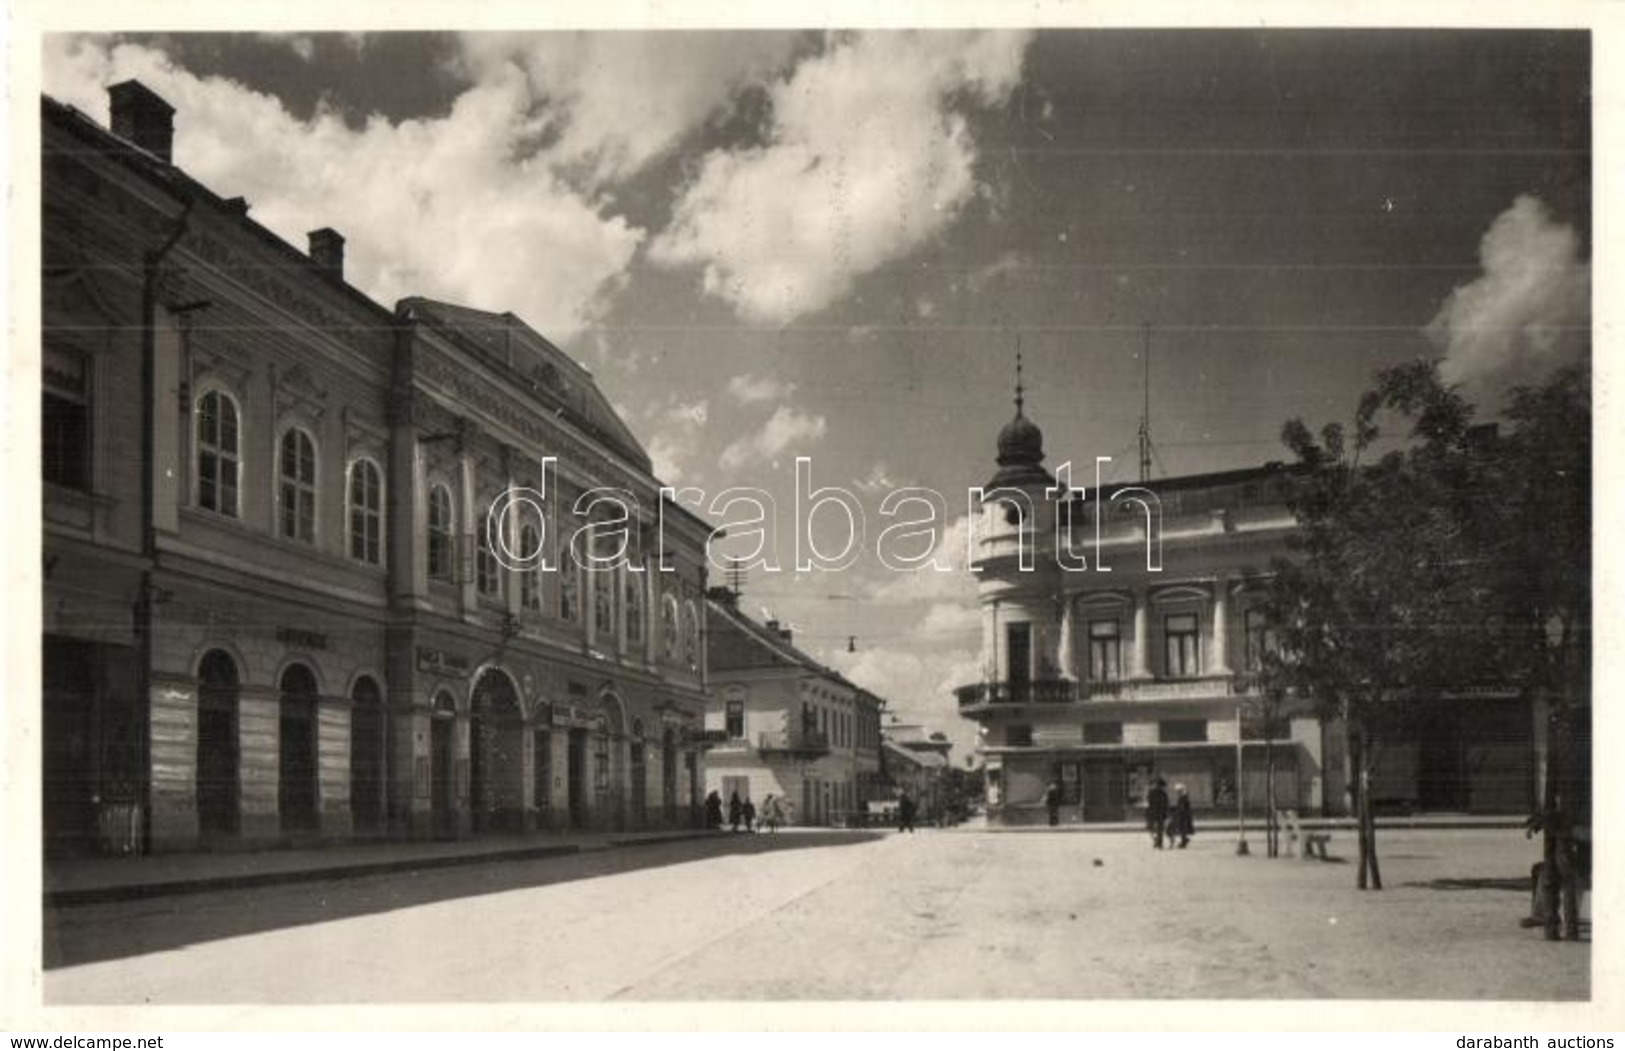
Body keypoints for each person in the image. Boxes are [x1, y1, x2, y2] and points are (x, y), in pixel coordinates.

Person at [1146, 777, 1170, 849]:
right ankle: (1159, 842)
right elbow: (1166, 804)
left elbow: (1149, 803)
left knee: (1152, 828)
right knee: (1159, 829)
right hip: (1160, 813)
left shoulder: (1152, 792)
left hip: (1153, 813)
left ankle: (1157, 841)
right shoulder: (1163, 793)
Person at [1170, 783, 1195, 849]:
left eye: (1178, 791)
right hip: (1184, 815)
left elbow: (1182, 807)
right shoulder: (1184, 797)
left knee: (1182, 828)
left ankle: (1184, 841)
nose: (1177, 793)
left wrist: (1178, 812)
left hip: (1183, 815)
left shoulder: (1183, 797)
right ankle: (1184, 840)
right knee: (1182, 829)